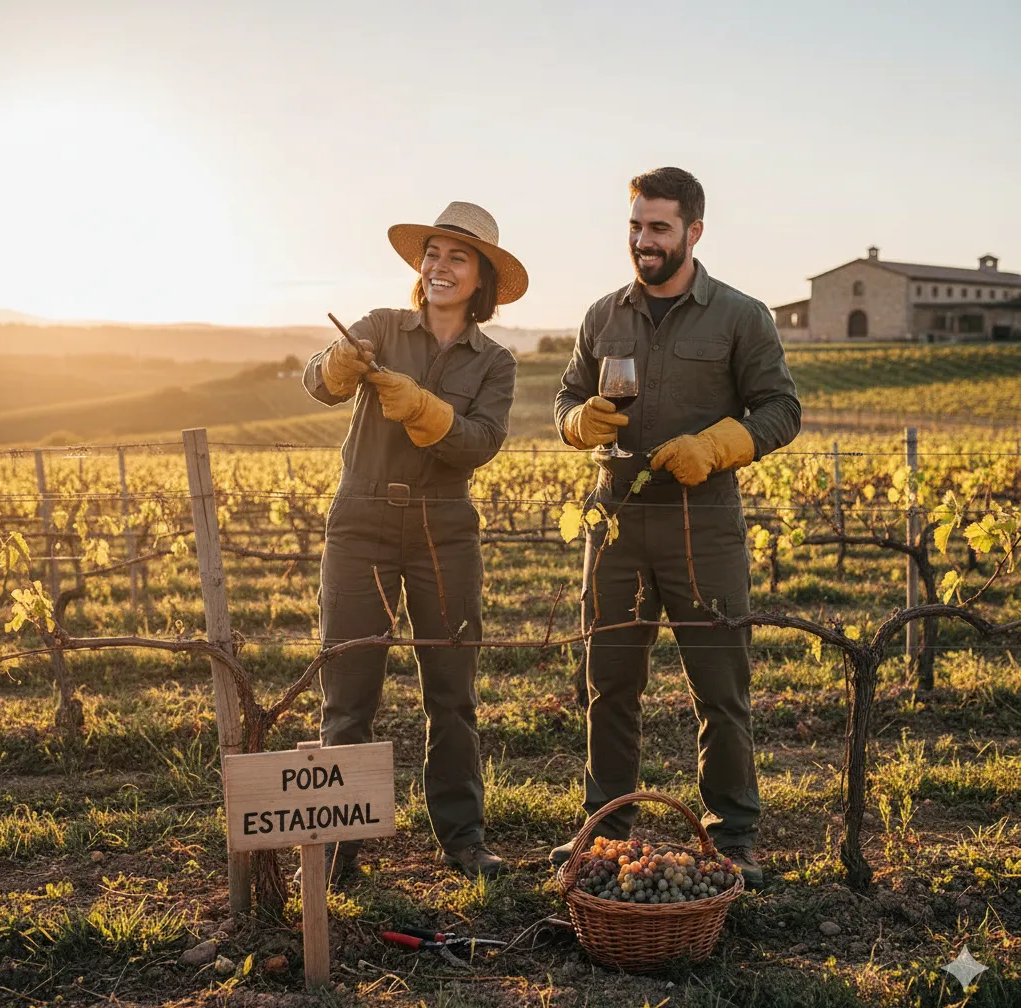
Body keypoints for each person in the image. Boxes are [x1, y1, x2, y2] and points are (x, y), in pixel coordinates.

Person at [551, 168, 801, 888]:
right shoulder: (603, 314)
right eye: (635, 225)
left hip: (705, 526)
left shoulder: (741, 316)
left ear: (694, 231)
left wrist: (716, 446)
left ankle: (734, 839)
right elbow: (569, 392)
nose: (643, 240)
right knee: (609, 685)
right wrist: (575, 420)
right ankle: (604, 832)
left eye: (658, 227)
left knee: (719, 688)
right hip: (618, 522)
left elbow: (781, 409)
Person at [301, 201, 528, 881]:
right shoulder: (377, 328)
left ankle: (462, 838)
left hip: (444, 524)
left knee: (451, 690)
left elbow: (480, 444)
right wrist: (340, 365)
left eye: (458, 257)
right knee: (350, 685)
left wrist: (428, 412)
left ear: (482, 277)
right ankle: (341, 846)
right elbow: (318, 383)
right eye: (433, 253)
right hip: (361, 517)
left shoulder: (496, 362)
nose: (440, 267)